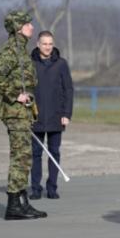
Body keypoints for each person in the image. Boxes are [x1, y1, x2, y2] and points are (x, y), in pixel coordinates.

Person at [0, 11, 47, 220]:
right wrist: (16, 96)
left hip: (23, 113)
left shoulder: (21, 49)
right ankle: (14, 206)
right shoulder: (11, 50)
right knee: (20, 158)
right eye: (27, 24)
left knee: (24, 157)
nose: (32, 27)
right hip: (15, 112)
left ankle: (22, 203)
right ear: (17, 28)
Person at [29, 30, 74, 200]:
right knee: (36, 153)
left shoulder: (61, 64)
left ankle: (52, 188)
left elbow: (68, 89)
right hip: (36, 117)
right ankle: (35, 188)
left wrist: (66, 113)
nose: (48, 47)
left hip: (56, 116)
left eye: (50, 44)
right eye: (44, 44)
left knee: (54, 152)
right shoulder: (30, 63)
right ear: (38, 44)